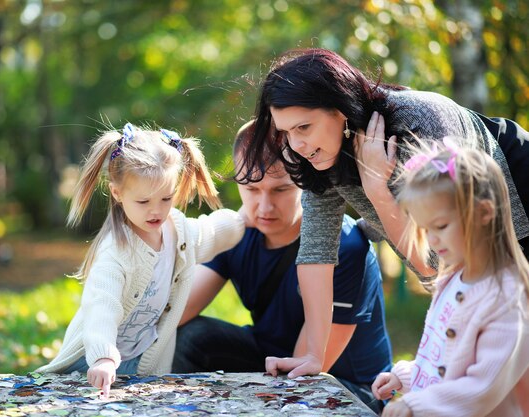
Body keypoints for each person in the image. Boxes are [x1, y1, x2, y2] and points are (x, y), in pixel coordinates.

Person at [239, 47, 529, 377]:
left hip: (519, 196)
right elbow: (316, 254)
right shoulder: (315, 157)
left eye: (304, 127)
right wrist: (313, 356)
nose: (297, 145)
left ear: (340, 109)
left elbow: (438, 263)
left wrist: (377, 188)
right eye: (286, 132)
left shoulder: (418, 124)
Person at [173, 120, 392, 413]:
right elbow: (177, 313)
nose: (264, 207)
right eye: (251, 189)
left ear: (305, 181)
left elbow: (307, 371)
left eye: (280, 190)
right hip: (269, 359)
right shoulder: (237, 234)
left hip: (345, 385)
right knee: (191, 337)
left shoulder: (346, 245)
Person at [36, 123, 245, 396]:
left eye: (166, 198)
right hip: (91, 367)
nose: (156, 211)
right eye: (144, 202)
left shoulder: (176, 231)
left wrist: (243, 219)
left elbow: (211, 232)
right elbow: (102, 307)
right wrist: (103, 357)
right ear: (117, 193)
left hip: (141, 362)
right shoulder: (116, 252)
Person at [371, 141, 529, 416]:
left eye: (441, 226)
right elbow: (443, 356)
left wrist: (415, 404)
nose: (432, 240)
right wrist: (408, 377)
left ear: (484, 212)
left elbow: (482, 389)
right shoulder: (455, 278)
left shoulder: (507, 299)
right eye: (425, 228)